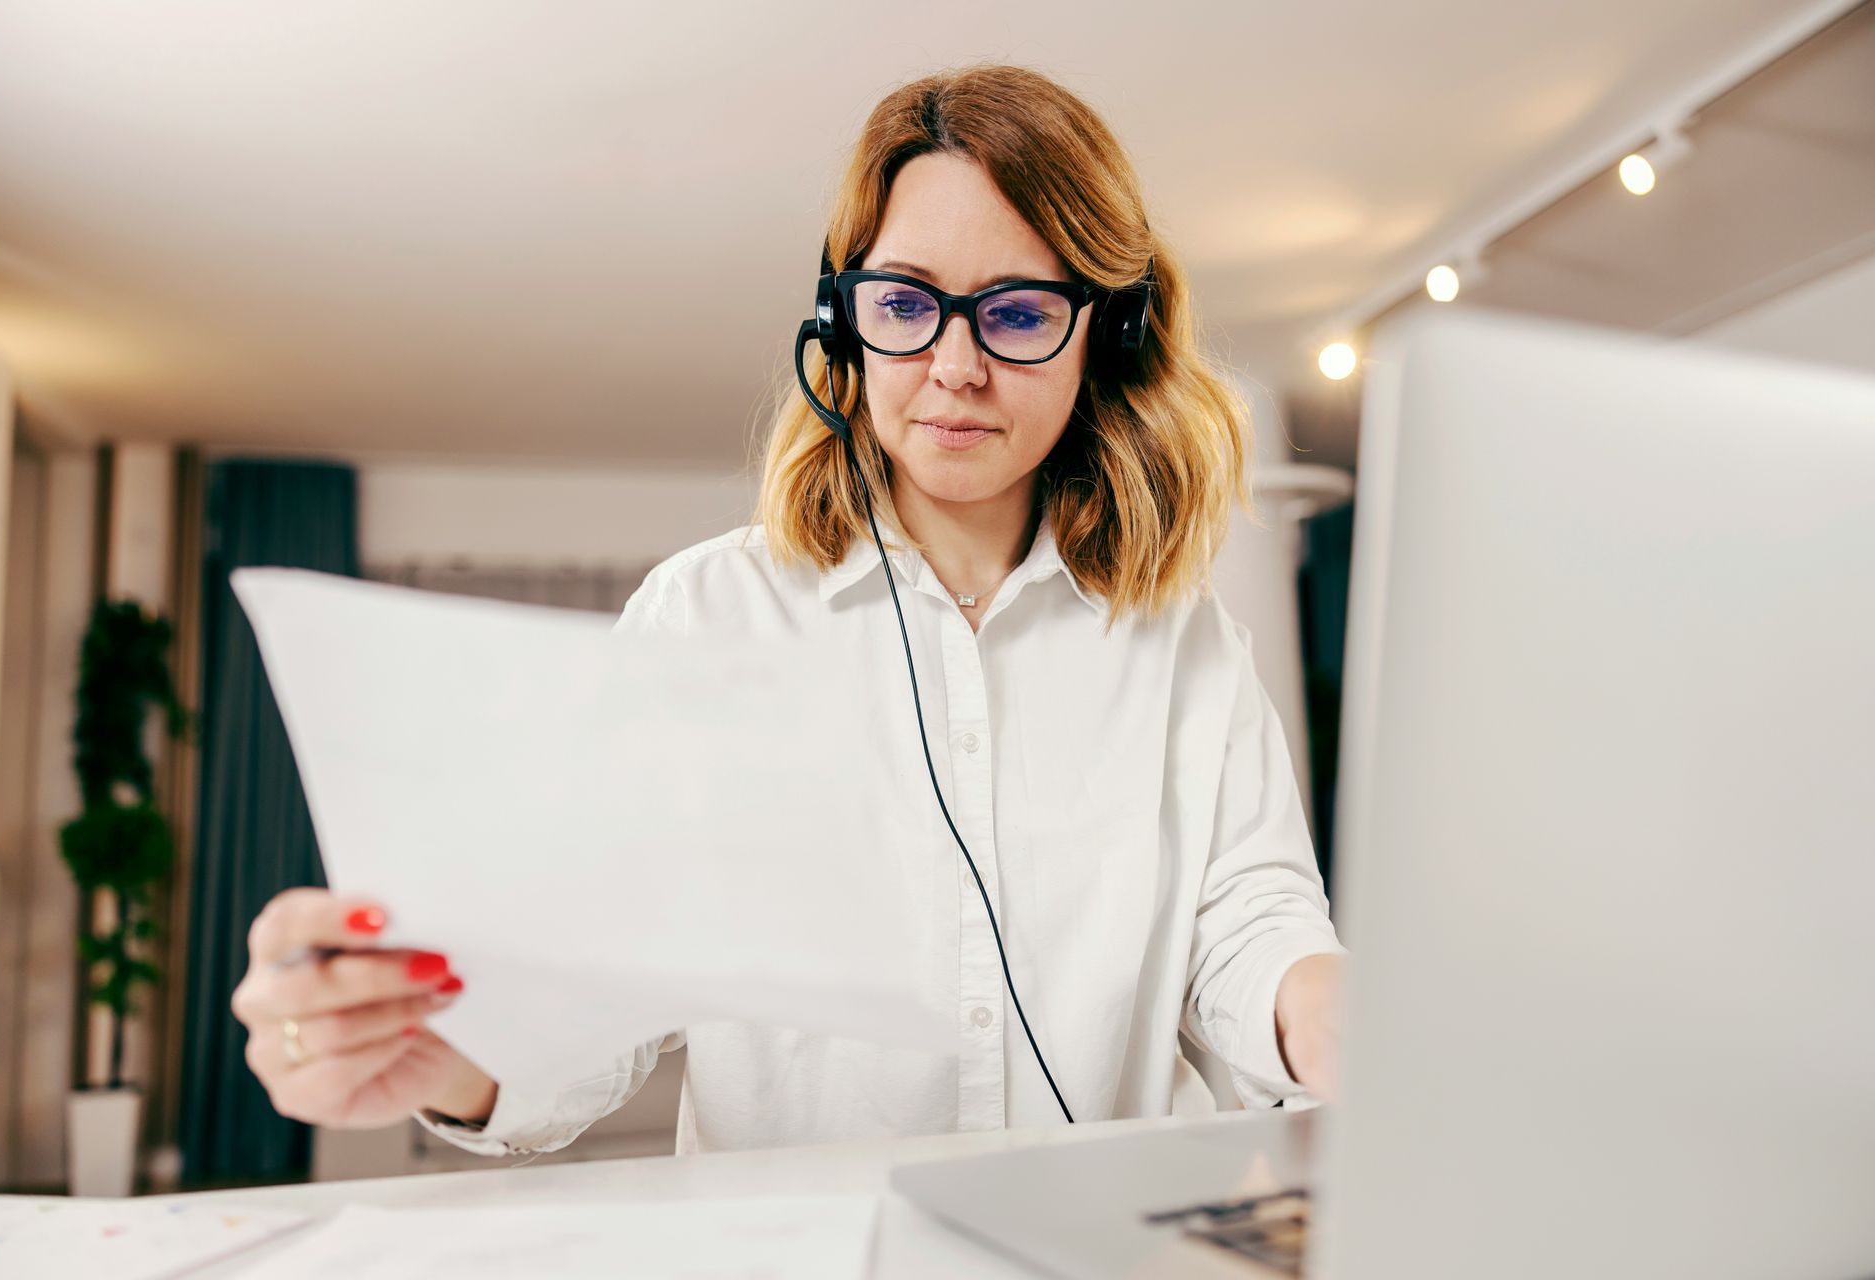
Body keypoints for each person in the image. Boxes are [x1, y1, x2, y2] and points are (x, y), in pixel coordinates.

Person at [230, 63, 1346, 1158]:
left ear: (1108, 329)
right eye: (906, 303)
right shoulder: (708, 613)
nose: (954, 366)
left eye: (1014, 312)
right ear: (842, 324)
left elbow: (1253, 934)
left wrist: (1334, 1013)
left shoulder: (1189, 647)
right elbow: (599, 977)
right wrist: (447, 1061)